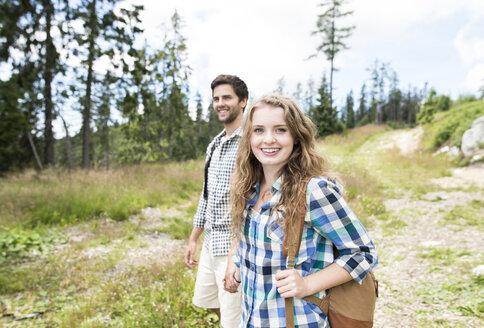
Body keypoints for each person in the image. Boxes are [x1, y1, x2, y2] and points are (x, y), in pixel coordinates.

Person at [225, 94, 378, 327]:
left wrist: (307, 284)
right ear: (248, 137)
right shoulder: (248, 189)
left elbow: (363, 254)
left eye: (280, 130)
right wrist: (237, 266)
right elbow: (254, 248)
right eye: (258, 130)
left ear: (296, 136)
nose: (268, 139)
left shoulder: (314, 191)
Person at [184, 74, 248, 328]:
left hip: (234, 244)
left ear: (242, 101)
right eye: (216, 99)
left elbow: (253, 201)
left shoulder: (250, 143)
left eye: (227, 98)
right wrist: (193, 237)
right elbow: (206, 194)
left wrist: (237, 251)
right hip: (211, 242)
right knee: (209, 300)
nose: (220, 103)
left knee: (233, 317)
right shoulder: (215, 144)